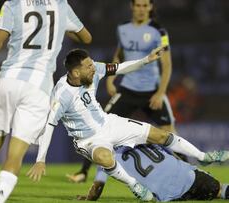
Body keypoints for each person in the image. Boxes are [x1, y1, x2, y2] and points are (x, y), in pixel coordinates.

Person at [27, 46, 229, 201]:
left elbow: (119, 68)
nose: (93, 67)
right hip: (87, 140)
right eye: (88, 66)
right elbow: (50, 125)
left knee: (160, 135)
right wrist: (40, 159)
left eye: (92, 64)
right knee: (104, 157)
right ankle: (135, 185)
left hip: (109, 123)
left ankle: (203, 157)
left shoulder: (93, 70)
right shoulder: (61, 95)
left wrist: (146, 60)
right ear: (76, 73)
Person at [0, 0, 92, 202]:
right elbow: (86, 37)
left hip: (8, 80)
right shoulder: (61, 6)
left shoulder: (13, 4)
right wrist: (61, 26)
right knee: (15, 154)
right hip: (38, 88)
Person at [67, 0, 212, 183]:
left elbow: (166, 64)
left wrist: (160, 92)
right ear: (132, 7)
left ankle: (195, 174)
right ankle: (83, 172)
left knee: (169, 133)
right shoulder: (124, 29)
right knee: (98, 127)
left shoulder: (159, 31)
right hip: (128, 90)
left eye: (145, 5)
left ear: (151, 8)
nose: (141, 9)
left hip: (152, 92)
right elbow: (118, 56)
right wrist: (111, 79)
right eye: (138, 5)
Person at [74, 144, 229, 202]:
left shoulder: (105, 159)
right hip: (190, 178)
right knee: (220, 190)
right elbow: (173, 154)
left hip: (164, 195)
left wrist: (88, 197)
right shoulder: (142, 136)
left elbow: (96, 190)